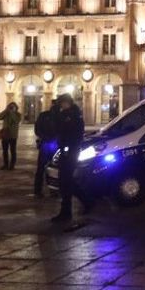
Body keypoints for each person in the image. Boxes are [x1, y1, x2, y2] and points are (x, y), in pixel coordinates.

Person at [52, 94, 91, 224]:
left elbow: (75, 134)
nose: (61, 105)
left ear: (67, 102)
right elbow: (57, 128)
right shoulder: (63, 114)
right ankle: (87, 201)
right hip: (65, 151)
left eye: (62, 103)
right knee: (66, 181)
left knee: (65, 181)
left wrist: (68, 148)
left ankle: (66, 212)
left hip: (71, 152)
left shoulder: (74, 115)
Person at [32, 101, 59, 197]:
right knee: (54, 168)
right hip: (53, 144)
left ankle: (38, 190)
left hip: (46, 143)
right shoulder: (59, 116)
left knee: (42, 168)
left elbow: (37, 129)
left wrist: (43, 137)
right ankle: (53, 190)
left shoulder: (43, 115)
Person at [0, 100, 22, 169]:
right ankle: (5, 164)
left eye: (12, 107)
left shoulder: (18, 114)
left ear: (16, 108)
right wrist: (6, 110)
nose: (11, 108)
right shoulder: (6, 113)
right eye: (10, 107)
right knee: (5, 151)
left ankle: (12, 165)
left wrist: (12, 112)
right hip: (5, 135)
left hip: (13, 136)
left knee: (13, 151)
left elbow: (16, 120)